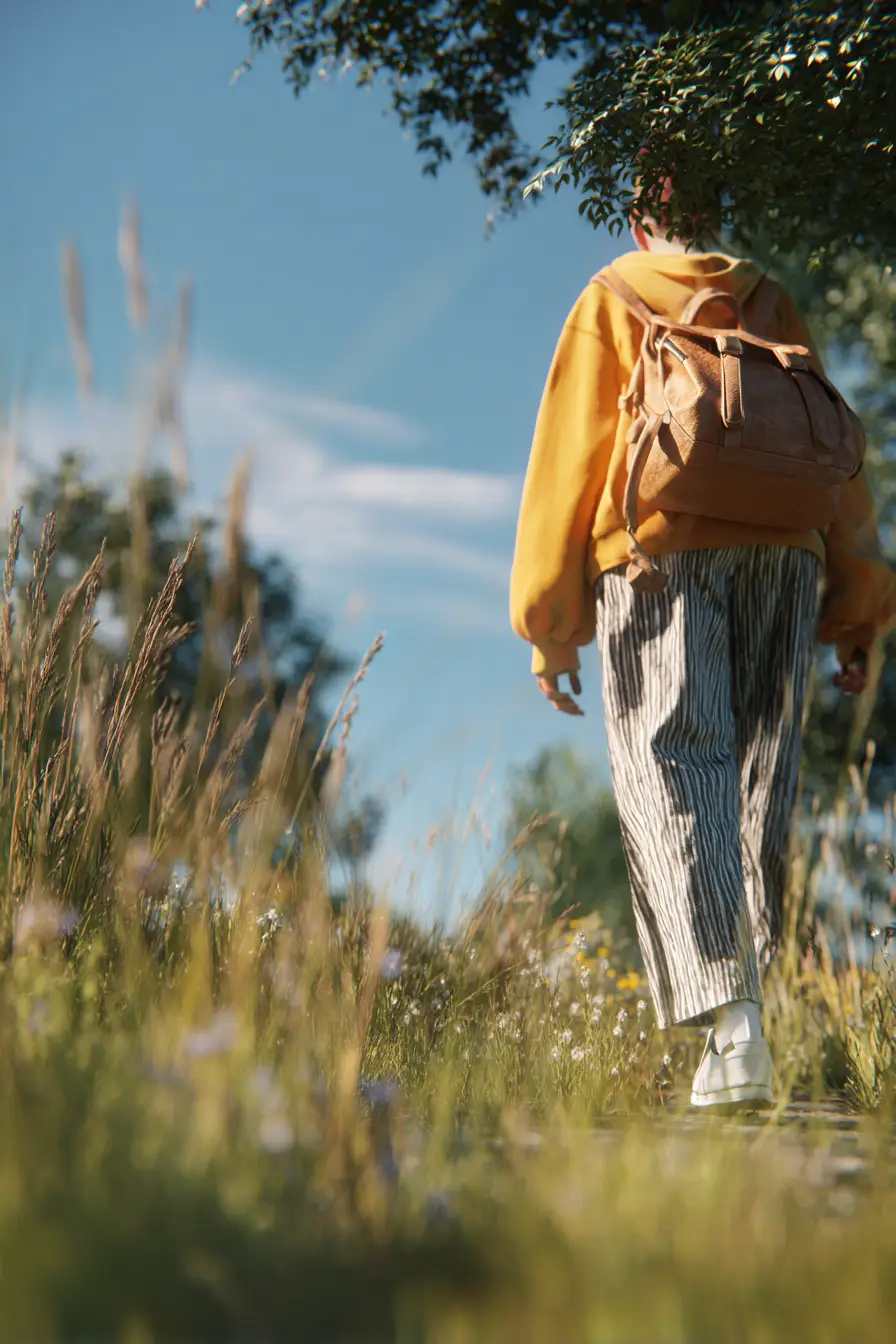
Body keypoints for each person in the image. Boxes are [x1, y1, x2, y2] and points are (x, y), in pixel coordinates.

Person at [509, 198, 896, 1110]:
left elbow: (569, 457)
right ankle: (738, 1035)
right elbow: (836, 457)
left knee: (673, 763)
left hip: (657, 552)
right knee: (760, 774)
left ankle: (734, 1025)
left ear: (642, 220)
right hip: (788, 556)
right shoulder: (770, 300)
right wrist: (859, 609)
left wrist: (551, 621)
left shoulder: (611, 294)